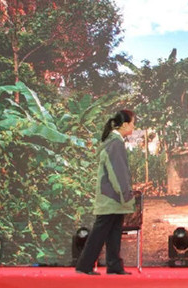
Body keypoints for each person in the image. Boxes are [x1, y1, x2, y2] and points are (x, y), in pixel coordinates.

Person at [75, 110, 136, 275]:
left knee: (113, 232)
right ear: (124, 125)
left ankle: (114, 265)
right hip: (111, 197)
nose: (133, 127)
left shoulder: (114, 141)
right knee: (100, 232)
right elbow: (117, 173)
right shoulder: (115, 143)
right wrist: (125, 195)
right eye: (132, 123)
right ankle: (84, 266)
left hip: (112, 197)